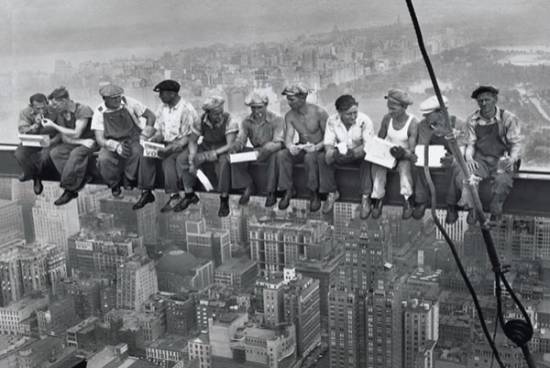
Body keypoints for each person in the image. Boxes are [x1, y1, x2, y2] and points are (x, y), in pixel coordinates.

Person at [446, 86, 522, 225]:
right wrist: (469, 159)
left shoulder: (508, 118)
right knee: (466, 174)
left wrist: (512, 158)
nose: (484, 104)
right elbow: (471, 144)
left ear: (495, 100)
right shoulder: (473, 120)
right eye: (480, 101)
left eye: (487, 100)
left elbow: (515, 143)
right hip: (482, 159)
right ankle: (471, 208)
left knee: (502, 181)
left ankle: (495, 210)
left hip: (502, 159)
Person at [133, 80, 198, 212]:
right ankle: (146, 191)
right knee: (145, 154)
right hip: (166, 143)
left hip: (182, 145)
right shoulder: (162, 108)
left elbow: (189, 136)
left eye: (162, 93)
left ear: (172, 94)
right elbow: (160, 130)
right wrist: (152, 140)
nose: (160, 96)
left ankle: (175, 195)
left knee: (168, 161)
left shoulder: (186, 109)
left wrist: (172, 147)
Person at [177, 96, 238, 217]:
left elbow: (230, 144)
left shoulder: (230, 120)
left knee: (223, 164)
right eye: (216, 114)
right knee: (182, 158)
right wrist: (192, 156)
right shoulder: (200, 121)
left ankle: (224, 198)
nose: (219, 116)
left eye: (221, 112)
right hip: (206, 145)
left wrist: (215, 153)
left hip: (222, 148)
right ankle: (189, 194)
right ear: (208, 113)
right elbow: (193, 141)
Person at [92, 84, 156, 197]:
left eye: (119, 96)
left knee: (137, 153)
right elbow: (99, 139)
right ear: (105, 99)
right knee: (103, 159)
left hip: (132, 138)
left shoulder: (130, 103)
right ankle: (114, 185)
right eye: (113, 98)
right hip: (111, 142)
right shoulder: (99, 112)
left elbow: (151, 116)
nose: (118, 100)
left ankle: (129, 179)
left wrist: (145, 134)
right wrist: (115, 146)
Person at [319, 94, 375, 216]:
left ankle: (365, 197)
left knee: (368, 159)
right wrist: (332, 153)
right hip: (341, 152)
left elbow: (368, 145)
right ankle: (332, 192)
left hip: (359, 153)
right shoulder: (332, 121)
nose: (353, 116)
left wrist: (353, 153)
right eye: (349, 114)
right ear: (339, 113)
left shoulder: (365, 121)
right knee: (323, 158)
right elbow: (328, 142)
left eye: (355, 112)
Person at [278, 83, 328, 211]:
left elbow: (329, 138)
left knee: (309, 158)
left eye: (292, 99)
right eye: (288, 99)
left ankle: (313, 192)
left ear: (302, 98)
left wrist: (316, 147)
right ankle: (288, 190)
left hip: (318, 148)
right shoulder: (289, 116)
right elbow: (288, 137)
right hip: (302, 147)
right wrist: (290, 147)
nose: (289, 102)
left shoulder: (319, 113)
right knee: (282, 155)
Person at [42, 87, 96, 205]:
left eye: (56, 104)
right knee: (55, 153)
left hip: (92, 142)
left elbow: (76, 133)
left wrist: (53, 125)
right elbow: (65, 137)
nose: (54, 107)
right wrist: (80, 142)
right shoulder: (61, 114)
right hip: (80, 142)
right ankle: (81, 178)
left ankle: (69, 189)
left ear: (65, 101)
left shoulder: (83, 109)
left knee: (76, 154)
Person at [412, 95, 462, 219]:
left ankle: (451, 204)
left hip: (450, 160)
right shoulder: (423, 126)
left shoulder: (458, 124)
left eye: (428, 114)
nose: (425, 117)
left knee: (456, 167)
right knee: (418, 166)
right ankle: (421, 200)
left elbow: (462, 150)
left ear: (440, 112)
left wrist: (452, 158)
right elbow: (422, 146)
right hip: (431, 160)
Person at [231, 91, 285, 207]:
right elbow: (241, 139)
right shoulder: (246, 121)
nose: (256, 111)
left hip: (271, 150)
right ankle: (247, 185)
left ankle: (271, 192)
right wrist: (236, 146)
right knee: (234, 157)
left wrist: (267, 149)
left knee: (275, 156)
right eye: (253, 108)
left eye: (259, 108)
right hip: (256, 151)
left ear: (266, 106)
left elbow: (279, 143)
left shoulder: (277, 119)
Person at [371, 89, 418, 219]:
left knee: (404, 169)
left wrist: (403, 152)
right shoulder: (387, 119)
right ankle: (378, 198)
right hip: (388, 153)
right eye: (389, 108)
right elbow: (380, 138)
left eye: (393, 108)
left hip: (403, 155)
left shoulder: (412, 123)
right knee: (379, 168)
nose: (390, 111)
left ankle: (407, 199)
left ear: (404, 107)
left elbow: (412, 149)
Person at [14, 93, 60, 195]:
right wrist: (34, 126)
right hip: (32, 140)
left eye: (43, 107)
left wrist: (52, 141)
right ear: (31, 106)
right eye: (37, 108)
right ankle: (29, 173)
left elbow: (61, 132)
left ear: (47, 103)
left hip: (49, 141)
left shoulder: (55, 112)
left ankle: (37, 178)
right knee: (19, 154)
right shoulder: (25, 112)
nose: (41, 110)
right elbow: (22, 129)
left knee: (43, 158)